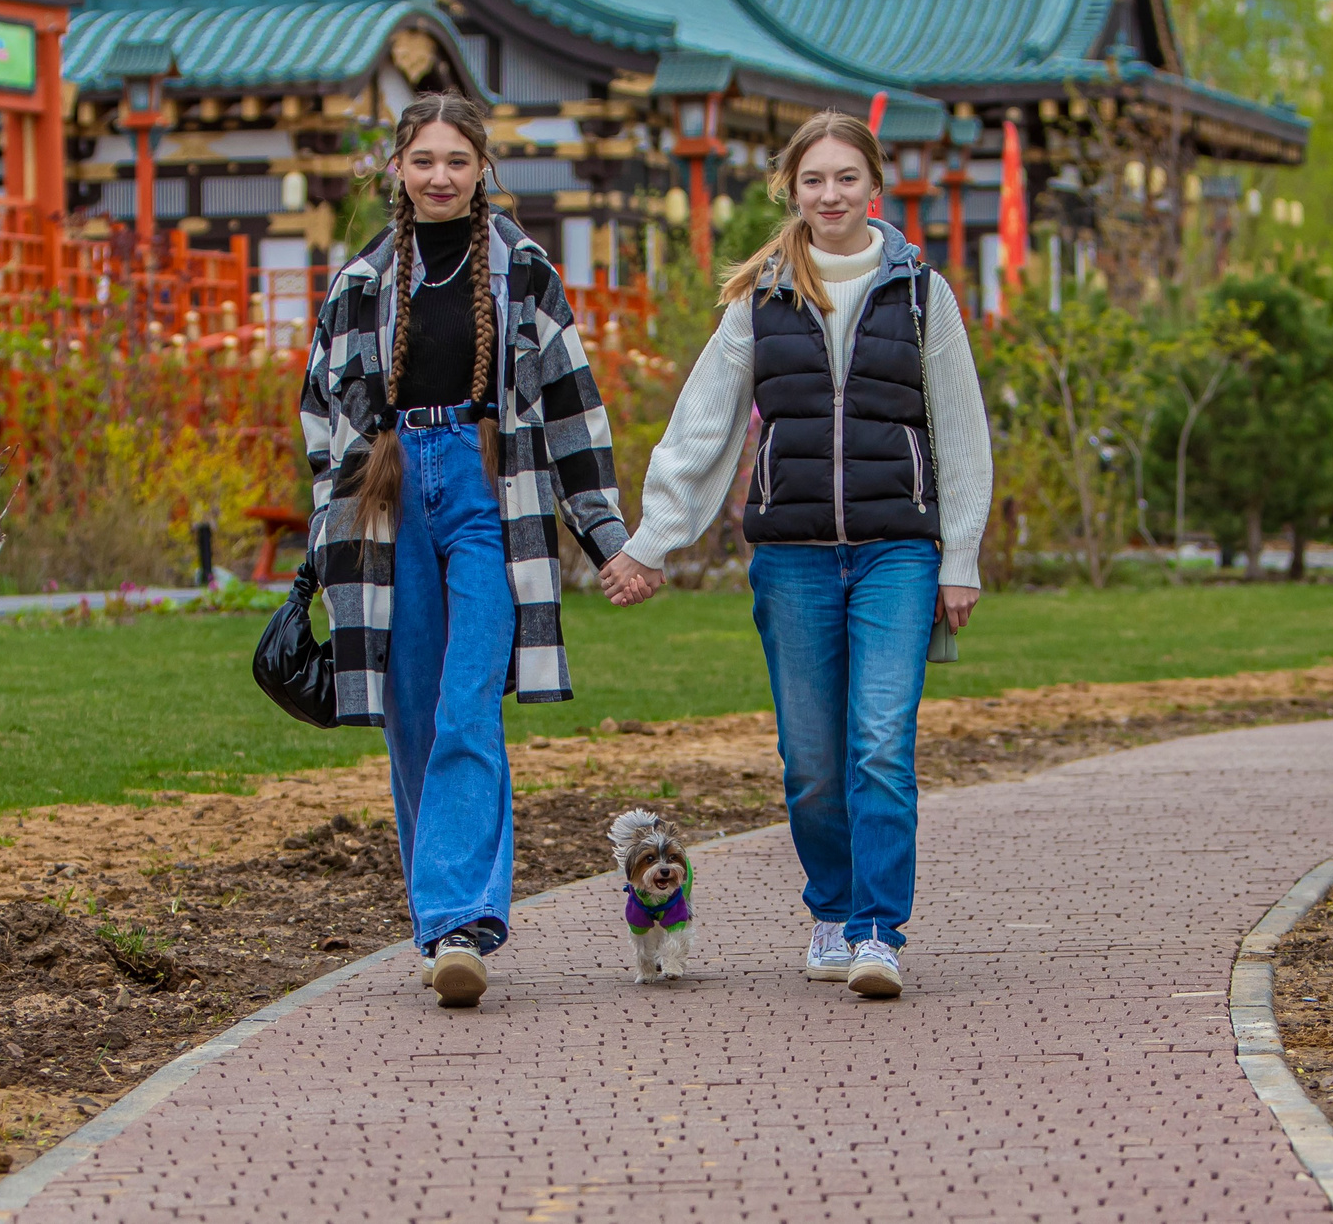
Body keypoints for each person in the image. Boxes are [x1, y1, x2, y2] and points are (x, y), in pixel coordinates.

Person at [600, 110, 992, 1000]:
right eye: (814, 180)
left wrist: (959, 553)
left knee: (881, 746)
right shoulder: (760, 300)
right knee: (813, 760)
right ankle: (831, 907)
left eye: (846, 178)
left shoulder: (923, 295)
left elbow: (961, 432)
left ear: (875, 188)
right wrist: (654, 540)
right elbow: (703, 425)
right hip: (795, 558)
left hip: (899, 552)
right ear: (792, 191)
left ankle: (877, 933)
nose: (831, 195)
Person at [299, 92, 630, 1009]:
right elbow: (319, 410)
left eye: (457, 160)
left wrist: (603, 532)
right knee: (411, 710)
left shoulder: (522, 273)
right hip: (391, 491)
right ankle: (442, 916)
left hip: (490, 492)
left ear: (483, 168)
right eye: (423, 160)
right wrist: (336, 510)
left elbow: (571, 406)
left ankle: (463, 922)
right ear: (397, 170)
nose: (440, 176)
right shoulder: (360, 281)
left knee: (467, 701)